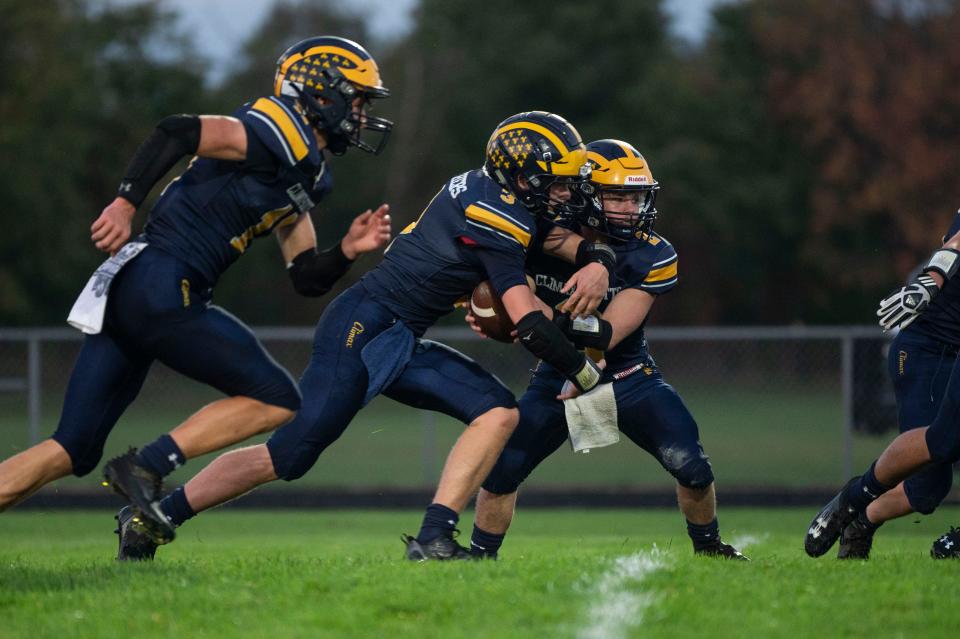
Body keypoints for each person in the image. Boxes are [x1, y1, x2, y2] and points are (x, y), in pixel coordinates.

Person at [115, 111, 617, 561]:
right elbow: (528, 323)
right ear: (521, 177)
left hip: (399, 334)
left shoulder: (499, 195)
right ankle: (152, 514)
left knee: (497, 411)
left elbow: (559, 242)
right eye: (555, 183)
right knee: (290, 454)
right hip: (366, 325)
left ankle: (435, 538)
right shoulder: (497, 213)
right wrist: (585, 373)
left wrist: (596, 261)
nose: (565, 194)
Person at [0, 37, 393, 537]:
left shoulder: (308, 172)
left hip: (136, 285)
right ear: (319, 94)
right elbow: (178, 131)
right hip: (162, 279)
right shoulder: (274, 127)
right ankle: (147, 465)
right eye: (357, 99)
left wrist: (348, 251)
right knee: (275, 398)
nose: (361, 115)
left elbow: (306, 277)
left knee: (71, 448)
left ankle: (141, 465)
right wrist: (125, 203)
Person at [466, 140, 746, 560]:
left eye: (635, 196)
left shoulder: (653, 252)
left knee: (692, 466)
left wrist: (528, 318)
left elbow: (604, 335)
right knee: (502, 472)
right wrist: (492, 308)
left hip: (628, 376)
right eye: (617, 195)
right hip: (558, 377)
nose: (631, 208)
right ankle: (479, 558)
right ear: (583, 193)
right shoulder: (538, 237)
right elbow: (493, 277)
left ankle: (709, 549)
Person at [805, 213, 960, 559]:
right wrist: (929, 283)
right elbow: (954, 246)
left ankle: (863, 519)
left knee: (928, 491)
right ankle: (855, 499)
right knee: (933, 469)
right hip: (930, 350)